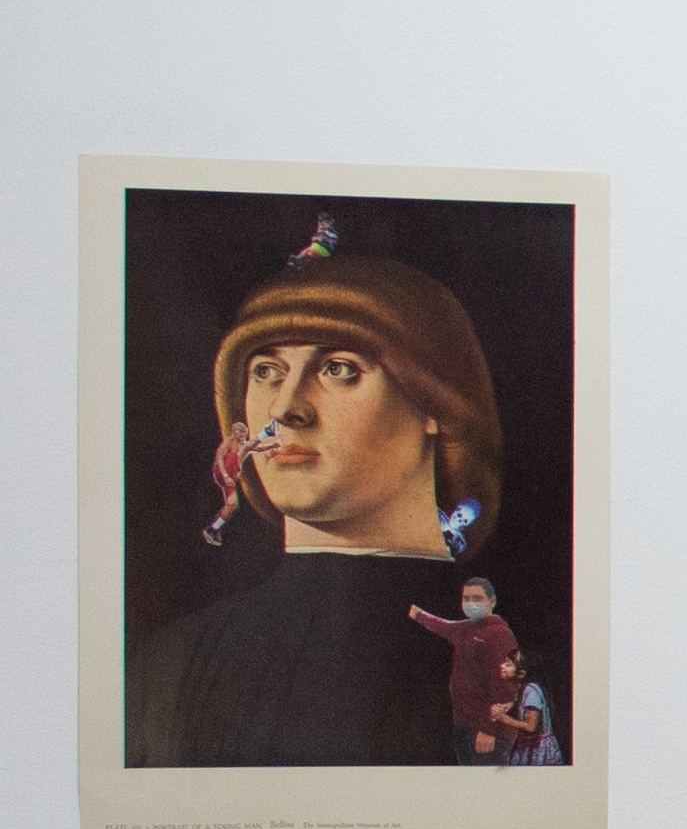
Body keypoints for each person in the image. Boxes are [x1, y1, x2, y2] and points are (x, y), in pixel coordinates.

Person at [126, 237, 507, 768]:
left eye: (339, 368)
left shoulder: (505, 656)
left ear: (434, 402)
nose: (285, 408)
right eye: (265, 371)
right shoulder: (171, 664)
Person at [407, 577, 521, 763]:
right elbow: (443, 626)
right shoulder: (467, 628)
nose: (470, 603)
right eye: (466, 599)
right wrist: (417, 614)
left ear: (491, 601)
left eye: (477, 598)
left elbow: (505, 685)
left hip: (486, 730)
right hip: (464, 723)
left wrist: (488, 730)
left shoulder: (499, 634)